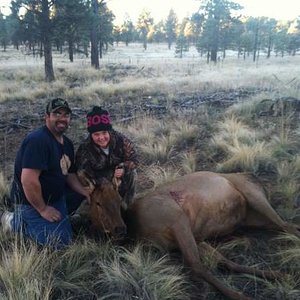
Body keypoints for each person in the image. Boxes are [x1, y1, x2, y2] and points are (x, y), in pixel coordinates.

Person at [0, 98, 89, 249]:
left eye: (66, 115)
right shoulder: (37, 141)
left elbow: (70, 174)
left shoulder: (66, 143)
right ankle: (12, 221)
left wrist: (87, 193)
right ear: (46, 117)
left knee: (79, 193)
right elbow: (28, 181)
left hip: (55, 197)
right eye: (57, 114)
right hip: (32, 202)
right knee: (60, 243)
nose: (62, 118)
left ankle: (59, 219)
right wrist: (43, 209)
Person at [75, 106, 138, 209]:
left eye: (104, 133)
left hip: (118, 179)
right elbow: (81, 171)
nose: (101, 138)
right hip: (98, 183)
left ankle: (127, 206)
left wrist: (123, 167)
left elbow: (134, 159)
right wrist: (101, 182)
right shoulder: (85, 148)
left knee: (132, 173)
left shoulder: (121, 140)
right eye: (96, 134)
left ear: (109, 131)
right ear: (91, 134)